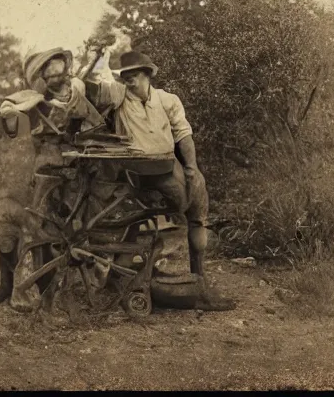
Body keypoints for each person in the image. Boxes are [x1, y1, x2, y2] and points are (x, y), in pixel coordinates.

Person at [85, 50, 234, 310]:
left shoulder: (167, 100)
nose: (130, 81)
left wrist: (192, 168)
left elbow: (183, 134)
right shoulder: (119, 96)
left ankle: (199, 281)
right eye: (126, 76)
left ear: (147, 76)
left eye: (135, 76)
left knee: (197, 199)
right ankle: (118, 280)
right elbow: (92, 90)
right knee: (153, 211)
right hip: (136, 169)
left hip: (166, 164)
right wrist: (96, 57)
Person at [0, 47, 105, 305]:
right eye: (49, 73)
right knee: (17, 224)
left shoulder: (78, 95)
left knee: (61, 229)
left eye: (59, 70)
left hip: (75, 170)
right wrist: (14, 113)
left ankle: (49, 287)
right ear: (44, 76)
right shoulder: (35, 100)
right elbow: (12, 122)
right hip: (39, 168)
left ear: (66, 71)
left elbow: (95, 127)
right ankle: (8, 285)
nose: (56, 77)